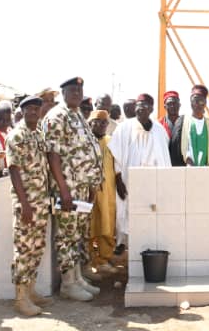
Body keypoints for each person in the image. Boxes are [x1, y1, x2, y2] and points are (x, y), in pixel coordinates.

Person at [44, 78, 103, 302]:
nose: (77, 93)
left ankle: (77, 278)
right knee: (66, 236)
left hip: (81, 187)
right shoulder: (57, 116)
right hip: (67, 188)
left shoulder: (77, 114)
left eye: (80, 90)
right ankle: (68, 283)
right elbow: (53, 155)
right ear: (63, 92)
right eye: (72, 90)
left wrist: (90, 186)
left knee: (76, 235)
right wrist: (64, 190)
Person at [109, 93, 170, 262]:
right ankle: (125, 247)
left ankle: (149, 247)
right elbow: (116, 155)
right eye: (138, 105)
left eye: (144, 105)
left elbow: (164, 158)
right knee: (127, 214)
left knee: (151, 215)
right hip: (129, 182)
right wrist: (118, 178)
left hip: (153, 183)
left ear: (151, 109)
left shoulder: (159, 129)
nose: (140, 108)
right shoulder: (124, 128)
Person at [6, 95, 52, 316]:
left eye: (37, 108)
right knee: (24, 249)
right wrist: (24, 203)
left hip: (41, 201)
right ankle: (20, 298)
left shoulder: (39, 133)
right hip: (26, 202)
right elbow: (13, 170)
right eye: (30, 109)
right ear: (22, 112)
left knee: (37, 247)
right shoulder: (17, 135)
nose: (34, 112)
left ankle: (31, 290)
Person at [87, 110, 118, 275]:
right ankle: (90, 260)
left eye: (104, 122)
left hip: (107, 191)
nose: (100, 125)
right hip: (89, 192)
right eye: (97, 122)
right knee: (89, 226)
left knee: (107, 225)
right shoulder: (84, 142)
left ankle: (104, 259)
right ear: (90, 123)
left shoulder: (111, 142)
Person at [168, 86, 209, 167]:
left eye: (201, 101)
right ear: (190, 102)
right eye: (195, 100)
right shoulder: (181, 122)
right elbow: (174, 149)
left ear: (205, 103)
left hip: (207, 171)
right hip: (186, 171)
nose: (198, 104)